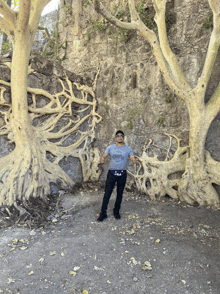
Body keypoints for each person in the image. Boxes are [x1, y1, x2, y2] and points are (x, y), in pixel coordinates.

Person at [97, 130, 135, 222]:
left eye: (121, 136)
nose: (120, 137)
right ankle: (103, 213)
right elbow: (104, 155)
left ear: (123, 137)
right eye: (118, 136)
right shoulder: (111, 147)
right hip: (112, 173)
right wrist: (102, 159)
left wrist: (134, 160)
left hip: (122, 173)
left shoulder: (128, 148)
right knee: (107, 193)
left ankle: (116, 211)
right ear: (115, 138)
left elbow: (132, 157)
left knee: (120, 193)